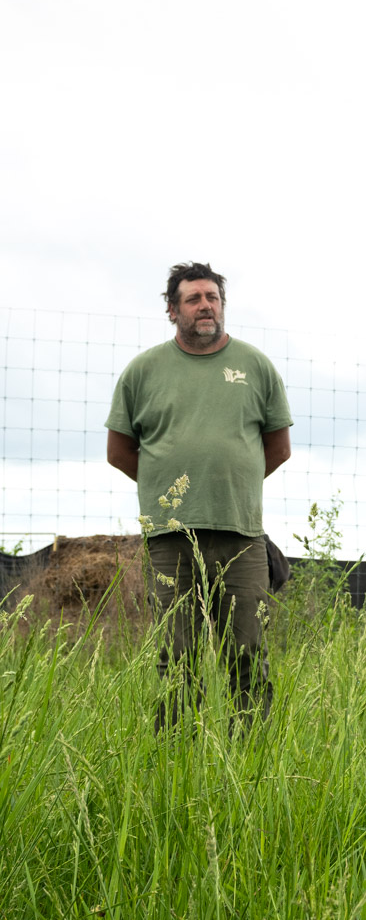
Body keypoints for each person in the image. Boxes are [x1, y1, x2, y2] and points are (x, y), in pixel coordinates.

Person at [106, 261, 292, 731]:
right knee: (177, 659)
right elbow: (119, 450)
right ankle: (176, 762)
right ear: (172, 310)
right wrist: (167, 493)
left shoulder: (255, 367)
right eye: (193, 298)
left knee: (247, 654)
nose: (206, 305)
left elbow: (278, 448)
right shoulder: (142, 372)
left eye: (212, 297)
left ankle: (251, 763)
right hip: (170, 537)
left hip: (241, 534)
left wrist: (228, 486)